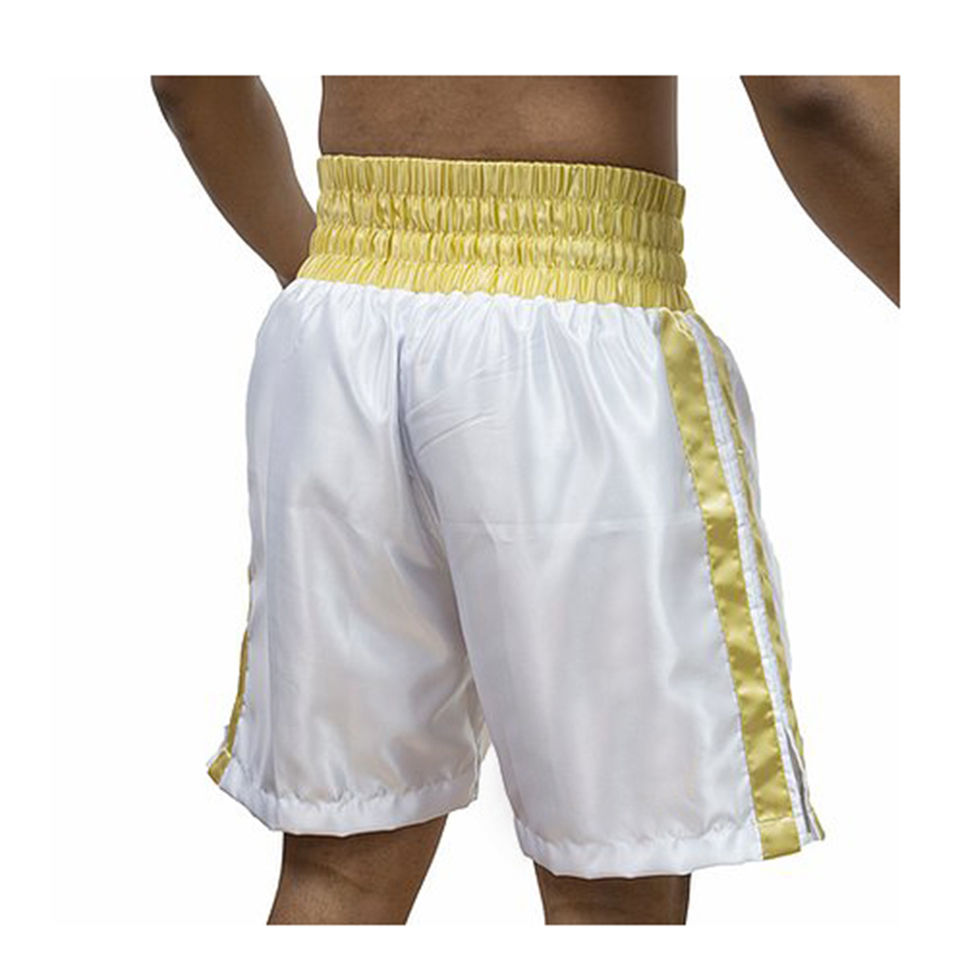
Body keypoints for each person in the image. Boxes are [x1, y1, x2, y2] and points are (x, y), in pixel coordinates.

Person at [151, 76, 899, 925]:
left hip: (340, 331)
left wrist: (323, 263)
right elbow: (814, 91)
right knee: (610, 895)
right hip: (575, 337)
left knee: (342, 865)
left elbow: (188, 79)